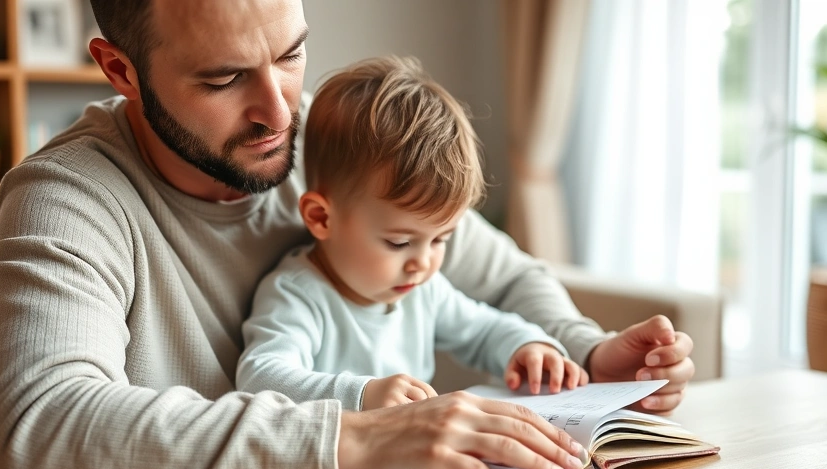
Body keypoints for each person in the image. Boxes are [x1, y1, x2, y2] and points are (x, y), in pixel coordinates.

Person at [0, 0, 694, 469]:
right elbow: (39, 436)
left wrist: (589, 352)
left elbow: (500, 274)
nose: (278, 110)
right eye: (225, 78)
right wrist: (347, 438)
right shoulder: (66, 197)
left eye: (290, 55)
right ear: (121, 70)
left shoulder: (330, 138)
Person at [237, 56, 585, 410]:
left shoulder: (422, 291)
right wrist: (362, 395)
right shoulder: (298, 295)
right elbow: (260, 375)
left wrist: (528, 347)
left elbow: (484, 329)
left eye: (440, 239)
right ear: (321, 218)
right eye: (399, 242)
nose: (422, 262)